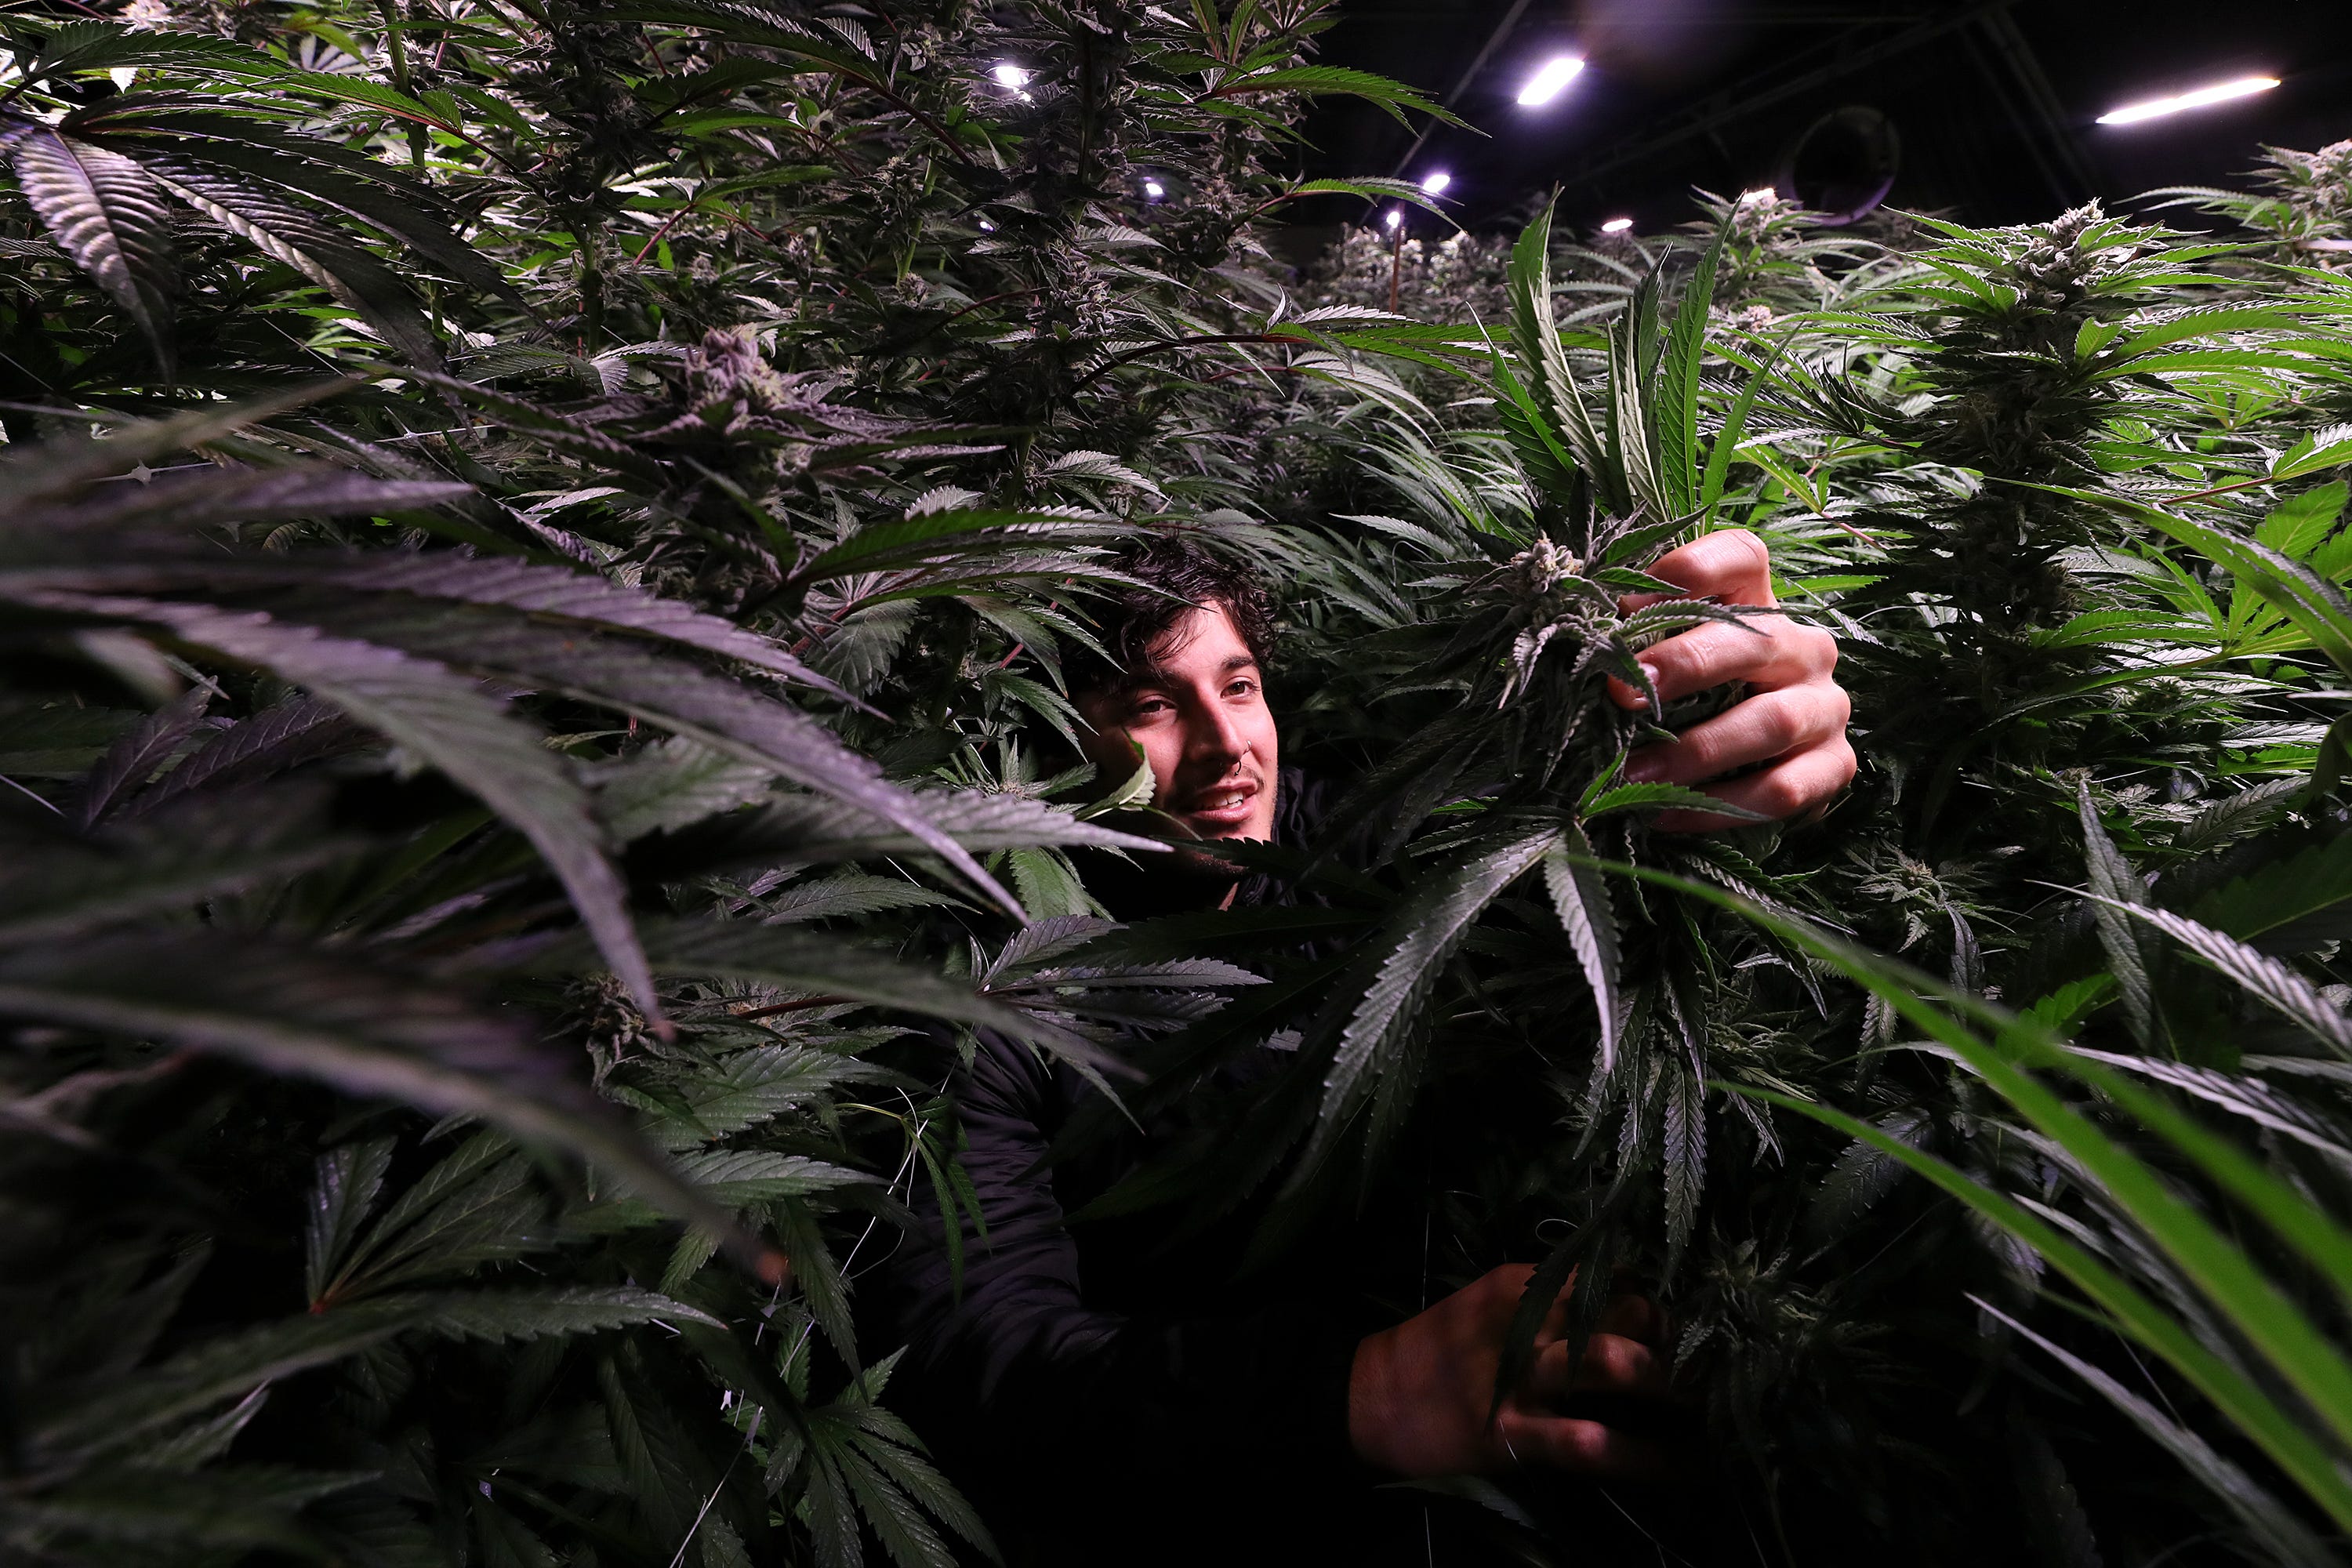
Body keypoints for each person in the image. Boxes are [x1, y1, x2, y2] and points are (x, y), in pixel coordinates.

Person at [869, 529, 1854, 1564]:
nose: (1223, 743)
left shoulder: (1367, 847)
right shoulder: (992, 973)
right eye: (1153, 707)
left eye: (1240, 686)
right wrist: (1353, 1392)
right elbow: (970, 1349)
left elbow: (1601, 888)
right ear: (1051, 735)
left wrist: (1746, 758)